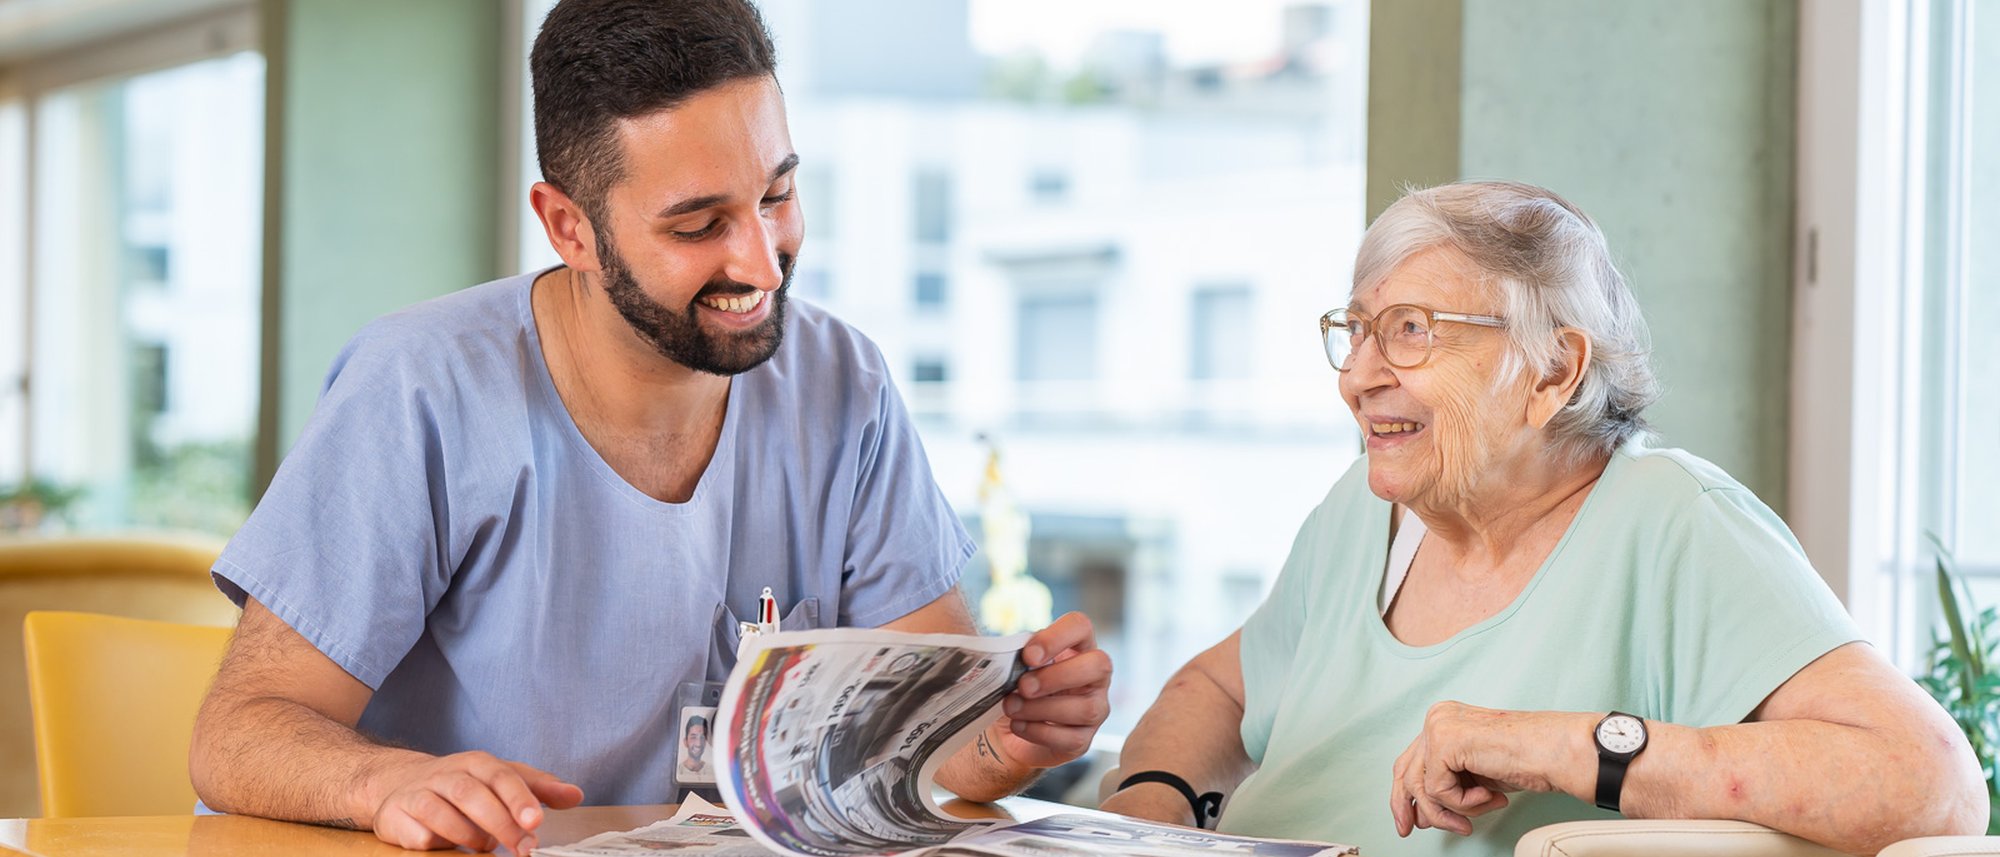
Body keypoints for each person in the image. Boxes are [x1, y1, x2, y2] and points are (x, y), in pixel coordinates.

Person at [187, 1, 1112, 853]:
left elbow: (936, 750)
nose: (762, 260)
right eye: (699, 224)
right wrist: (386, 780)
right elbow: (238, 733)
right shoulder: (420, 389)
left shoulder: (844, 384)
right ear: (569, 228)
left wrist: (1015, 733)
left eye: (777, 196)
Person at [1097, 181, 1985, 855]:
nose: (1357, 373)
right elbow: (1219, 689)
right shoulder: (1366, 512)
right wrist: (1146, 808)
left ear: (1554, 371)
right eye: (1356, 330)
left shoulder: (1675, 523)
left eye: (1409, 330)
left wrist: (1557, 745)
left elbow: (1930, 783)